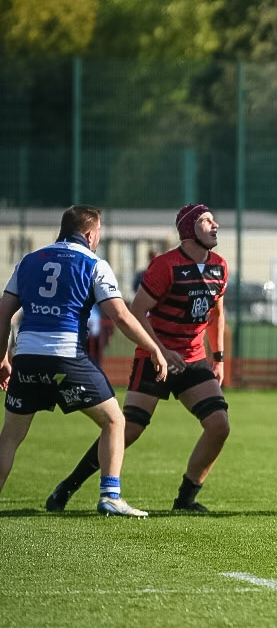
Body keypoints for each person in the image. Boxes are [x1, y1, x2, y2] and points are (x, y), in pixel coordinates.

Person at [45, 203, 230, 516]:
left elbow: (217, 314)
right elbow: (136, 312)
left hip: (193, 358)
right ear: (188, 229)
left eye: (214, 219)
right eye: (206, 220)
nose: (215, 225)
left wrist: (220, 357)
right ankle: (69, 485)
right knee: (129, 428)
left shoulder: (220, 266)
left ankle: (185, 499)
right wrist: (160, 350)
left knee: (219, 426)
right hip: (154, 355)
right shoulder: (165, 266)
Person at [0, 205, 173, 517]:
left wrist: (2, 358)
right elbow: (120, 315)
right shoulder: (94, 263)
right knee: (114, 420)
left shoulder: (27, 261)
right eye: (99, 233)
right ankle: (110, 495)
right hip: (65, 358)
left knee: (10, 436)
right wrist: (154, 348)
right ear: (91, 234)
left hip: (26, 357)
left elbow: (3, 316)